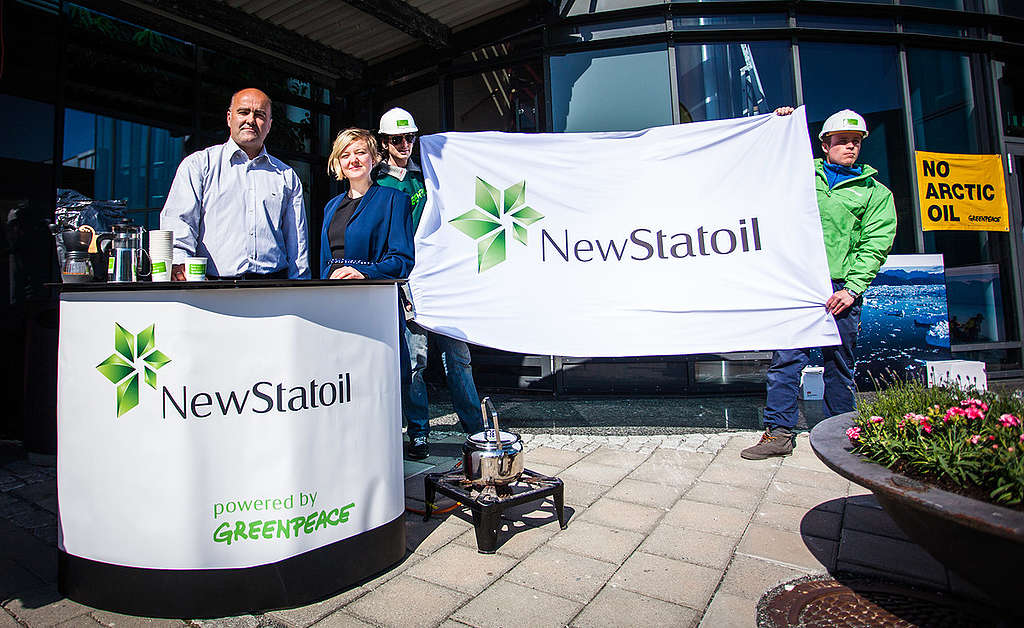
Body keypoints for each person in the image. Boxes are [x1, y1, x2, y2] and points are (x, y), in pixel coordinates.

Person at [741, 107, 897, 460]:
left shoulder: (875, 193)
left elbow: (875, 243)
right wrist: (779, 125)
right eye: (842, 141)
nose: (850, 147)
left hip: (841, 289)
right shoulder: (799, 173)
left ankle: (840, 435)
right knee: (786, 362)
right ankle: (780, 433)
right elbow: (762, 168)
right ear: (825, 144)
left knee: (838, 367)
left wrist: (852, 289)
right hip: (799, 285)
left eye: (855, 142)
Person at [375, 107, 484, 460]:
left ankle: (476, 431)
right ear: (385, 142)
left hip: (441, 280)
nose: (405, 144)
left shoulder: (431, 177)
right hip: (408, 282)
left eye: (410, 137)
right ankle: (419, 431)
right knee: (415, 361)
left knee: (459, 357)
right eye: (397, 139)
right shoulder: (378, 185)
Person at [161, 88, 310, 280]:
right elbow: (179, 222)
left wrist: (301, 286)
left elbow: (297, 242)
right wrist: (181, 266)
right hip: (213, 288)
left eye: (259, 115)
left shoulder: (285, 176)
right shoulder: (199, 165)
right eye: (243, 112)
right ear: (229, 118)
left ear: (269, 125)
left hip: (272, 289)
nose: (250, 120)